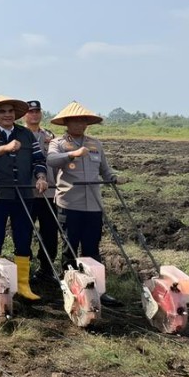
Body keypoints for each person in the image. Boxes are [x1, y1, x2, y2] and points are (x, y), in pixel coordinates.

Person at [46, 101, 125, 307]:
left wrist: (113, 177)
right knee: (69, 247)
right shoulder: (59, 143)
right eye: (75, 121)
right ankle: (69, 287)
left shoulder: (95, 144)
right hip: (69, 203)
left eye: (83, 120)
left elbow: (105, 170)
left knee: (92, 248)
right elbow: (51, 160)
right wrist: (72, 154)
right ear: (67, 123)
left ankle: (97, 289)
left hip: (93, 205)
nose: (80, 124)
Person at [0, 95, 49, 301]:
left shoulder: (26, 134)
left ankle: (23, 285)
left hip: (24, 193)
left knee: (23, 237)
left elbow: (38, 159)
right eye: (2, 111)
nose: (7, 115)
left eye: (10, 111)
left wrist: (41, 177)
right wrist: (5, 148)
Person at [23, 100, 59, 284]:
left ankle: (46, 269)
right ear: (24, 115)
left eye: (37, 111)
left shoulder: (49, 136)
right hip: (27, 191)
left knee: (50, 233)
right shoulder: (19, 135)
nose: (34, 115)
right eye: (30, 112)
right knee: (25, 232)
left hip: (49, 192)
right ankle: (25, 272)